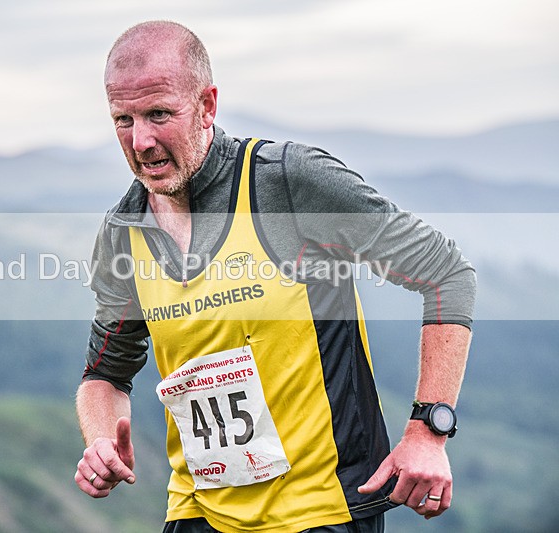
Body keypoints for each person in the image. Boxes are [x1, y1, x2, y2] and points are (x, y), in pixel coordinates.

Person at [74, 20, 475, 533]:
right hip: (198, 513)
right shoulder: (123, 231)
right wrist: (101, 441)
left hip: (321, 513)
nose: (142, 141)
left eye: (159, 114)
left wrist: (428, 428)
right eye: (123, 120)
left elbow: (445, 273)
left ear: (207, 105)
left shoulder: (286, 183)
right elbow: (105, 374)